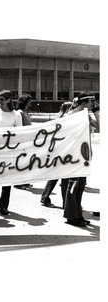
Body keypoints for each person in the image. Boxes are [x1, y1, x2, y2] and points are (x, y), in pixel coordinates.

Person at [63, 92, 100, 227]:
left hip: (84, 154)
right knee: (73, 185)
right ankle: (71, 215)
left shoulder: (85, 114)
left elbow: (100, 126)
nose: (93, 104)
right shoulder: (72, 115)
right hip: (74, 155)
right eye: (91, 102)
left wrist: (96, 112)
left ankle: (77, 214)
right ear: (85, 102)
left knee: (80, 186)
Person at [40, 101, 73, 207]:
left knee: (54, 175)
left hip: (56, 150)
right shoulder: (69, 121)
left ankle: (45, 197)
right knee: (65, 178)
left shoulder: (57, 120)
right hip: (66, 151)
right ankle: (65, 202)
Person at [15, 93, 32, 189]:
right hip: (22, 140)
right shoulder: (20, 113)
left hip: (27, 140)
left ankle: (25, 181)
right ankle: (18, 182)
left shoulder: (25, 112)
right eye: (29, 101)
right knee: (21, 162)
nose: (30, 103)